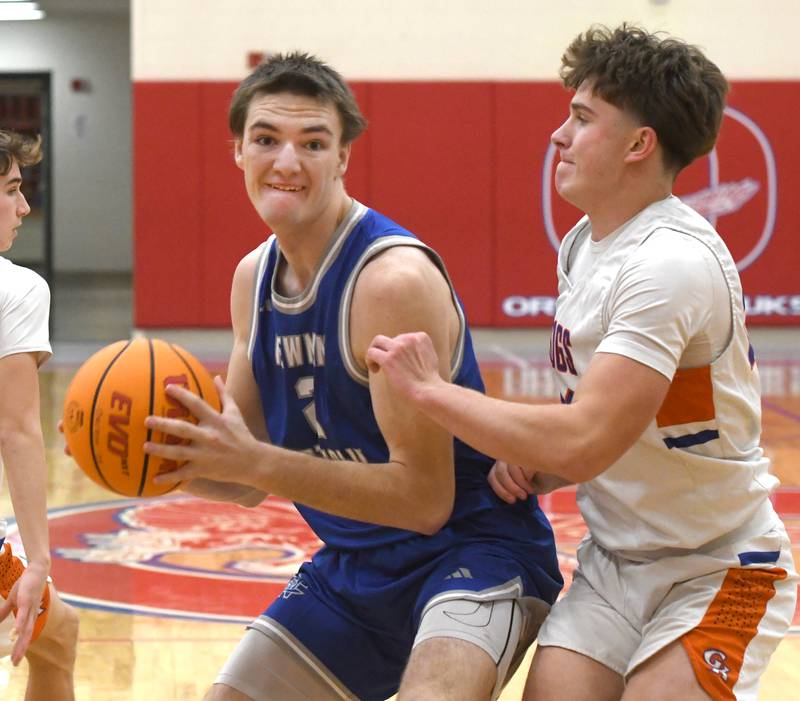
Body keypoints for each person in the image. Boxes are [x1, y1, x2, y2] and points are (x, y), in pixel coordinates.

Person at [366, 24, 798, 701]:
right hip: (615, 563)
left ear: (638, 144)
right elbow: (617, 421)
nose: (557, 135)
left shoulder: (670, 264)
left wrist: (430, 391)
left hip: (719, 564)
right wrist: (546, 465)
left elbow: (590, 435)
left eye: (581, 117)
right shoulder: (585, 245)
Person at [143, 53, 562, 701]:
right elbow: (241, 474)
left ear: (342, 158)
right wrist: (150, 459)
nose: (287, 162)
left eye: (313, 143)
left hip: (473, 549)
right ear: (237, 151)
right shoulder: (252, 279)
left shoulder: (388, 281)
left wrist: (254, 462)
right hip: (356, 567)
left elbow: (424, 501)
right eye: (266, 140)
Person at [0, 129, 79, 699]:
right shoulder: (17, 288)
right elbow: (18, 428)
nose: (24, 207)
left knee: (61, 632)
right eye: (11, 190)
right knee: (55, 634)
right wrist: (38, 563)